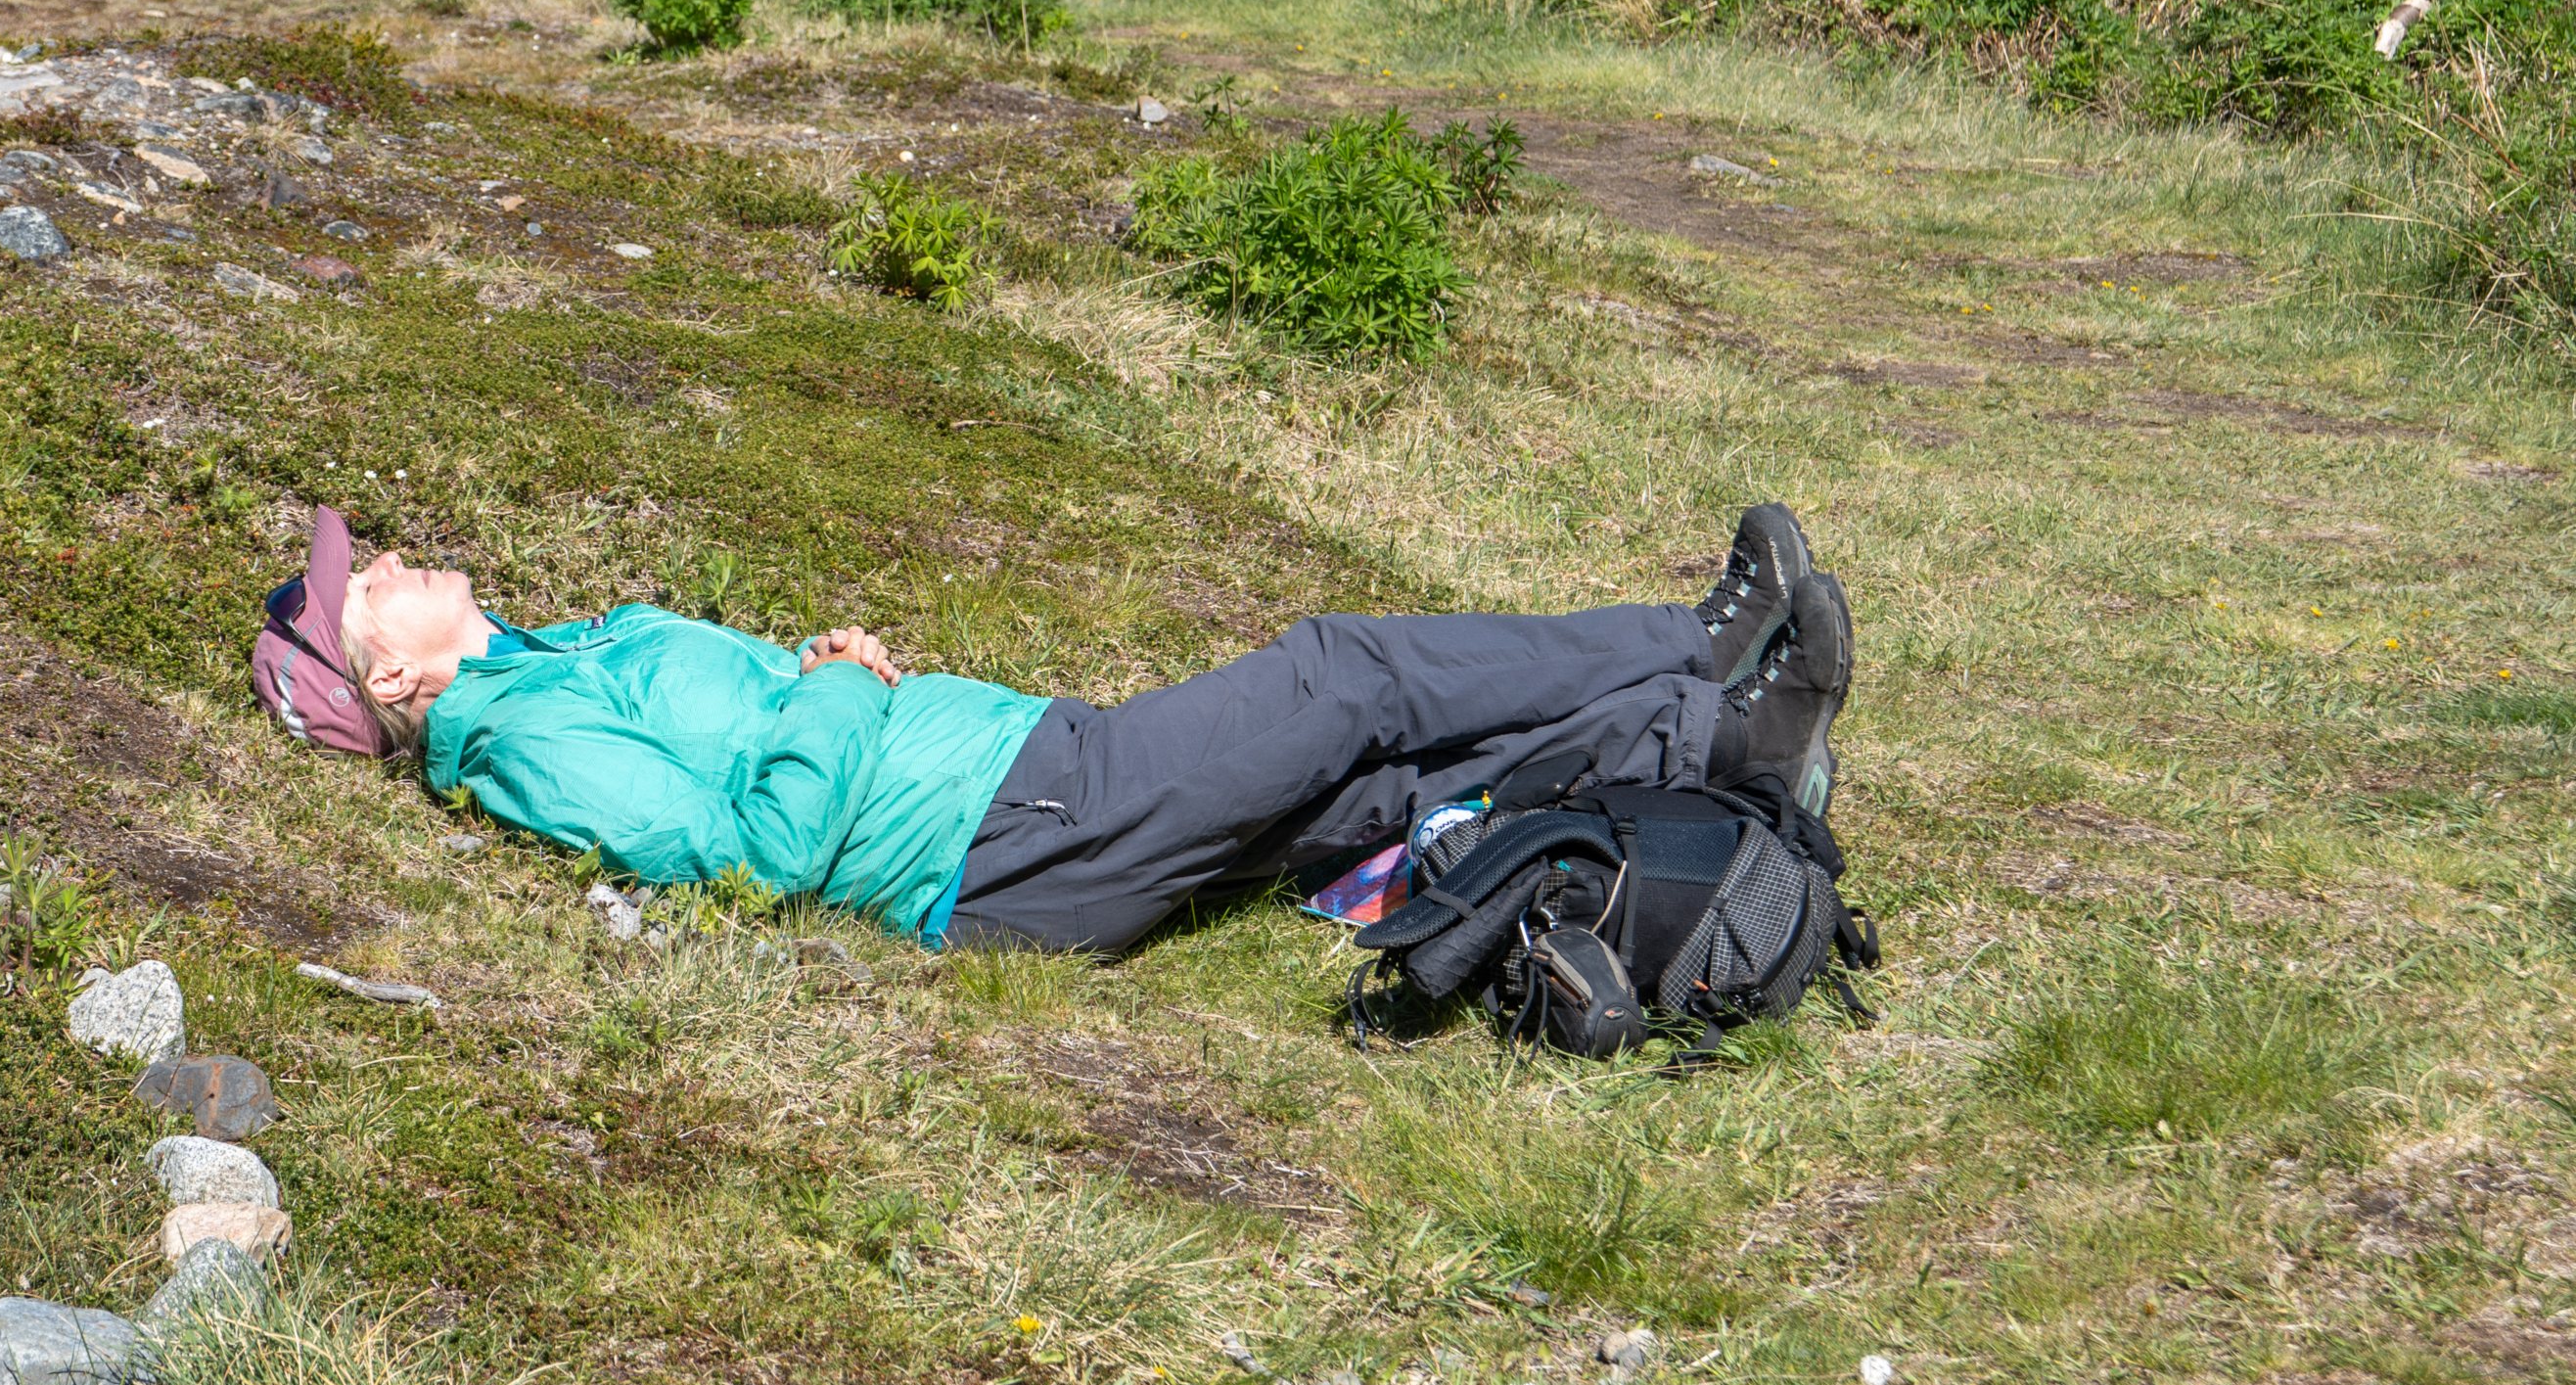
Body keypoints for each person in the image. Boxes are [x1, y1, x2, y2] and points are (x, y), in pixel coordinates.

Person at [250, 504, 1852, 955]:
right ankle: (1697, 642)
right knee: (1344, 675)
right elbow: (756, 850)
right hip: (1006, 830)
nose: (381, 559)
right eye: (363, 587)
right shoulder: (516, 744)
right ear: (391, 684)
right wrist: (831, 684)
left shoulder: (550, 658)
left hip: (1016, 792)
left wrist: (818, 670)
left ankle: (1717, 747)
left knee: (1378, 786)